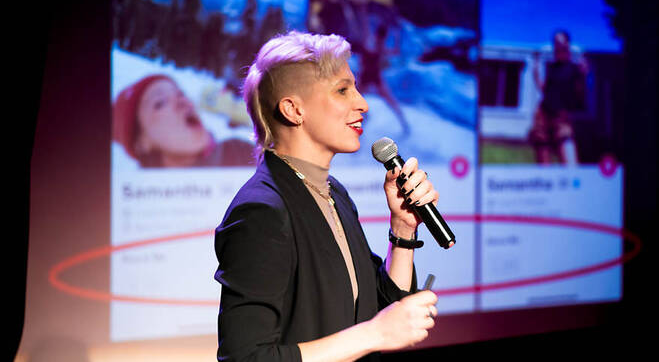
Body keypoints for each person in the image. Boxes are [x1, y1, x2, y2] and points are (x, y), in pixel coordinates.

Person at [213, 31, 439, 362]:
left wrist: (404, 230)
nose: (362, 103)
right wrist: (375, 333)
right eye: (343, 90)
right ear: (293, 110)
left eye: (355, 88)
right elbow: (246, 357)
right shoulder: (261, 211)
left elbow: (373, 311)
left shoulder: (334, 193)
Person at [113, 74, 254, 167]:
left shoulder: (243, 153)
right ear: (141, 143)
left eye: (181, 94)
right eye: (160, 103)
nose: (182, 101)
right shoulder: (139, 203)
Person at [529, 30, 587, 165]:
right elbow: (544, 89)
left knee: (570, 163)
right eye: (555, 43)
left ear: (567, 45)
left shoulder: (575, 68)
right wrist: (536, 70)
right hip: (543, 114)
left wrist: (584, 75)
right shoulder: (552, 68)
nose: (558, 46)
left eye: (561, 42)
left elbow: (579, 94)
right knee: (543, 163)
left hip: (562, 116)